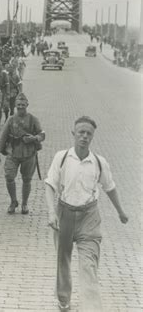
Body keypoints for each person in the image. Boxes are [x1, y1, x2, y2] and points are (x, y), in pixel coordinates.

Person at [44, 116, 128, 312]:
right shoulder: (62, 157)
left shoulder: (99, 162)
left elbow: (110, 187)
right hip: (64, 213)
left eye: (88, 133)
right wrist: (51, 213)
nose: (84, 136)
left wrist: (121, 212)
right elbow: (50, 185)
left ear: (92, 137)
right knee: (62, 259)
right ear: (73, 134)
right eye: (81, 132)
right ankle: (63, 299)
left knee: (88, 266)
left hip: (89, 217)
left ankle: (92, 308)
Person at [0, 93, 45, 214]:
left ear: (27, 105)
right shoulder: (11, 119)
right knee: (9, 177)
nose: (21, 107)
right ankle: (13, 201)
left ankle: (24, 204)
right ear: (15, 106)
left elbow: (42, 135)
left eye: (23, 105)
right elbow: (3, 136)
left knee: (27, 180)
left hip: (29, 153)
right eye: (18, 105)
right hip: (13, 152)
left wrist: (34, 138)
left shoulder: (33, 119)